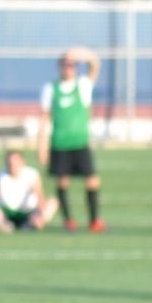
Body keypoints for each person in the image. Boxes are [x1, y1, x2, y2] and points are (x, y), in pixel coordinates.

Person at [38, 48, 106, 233]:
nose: (68, 68)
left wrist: (82, 53)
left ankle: (94, 220)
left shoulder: (83, 85)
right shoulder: (51, 88)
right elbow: (44, 118)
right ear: (59, 67)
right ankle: (68, 220)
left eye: (72, 65)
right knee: (62, 182)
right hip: (60, 143)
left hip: (80, 142)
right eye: (65, 64)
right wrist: (42, 146)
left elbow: (95, 65)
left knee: (92, 180)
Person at [0, 149, 56, 233]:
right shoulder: (0, 176)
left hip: (28, 212)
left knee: (53, 202)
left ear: (22, 162)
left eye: (15, 164)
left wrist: (40, 215)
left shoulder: (31, 174)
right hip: (6, 213)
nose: (12, 166)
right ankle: (4, 224)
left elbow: (40, 197)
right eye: (10, 164)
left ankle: (29, 223)